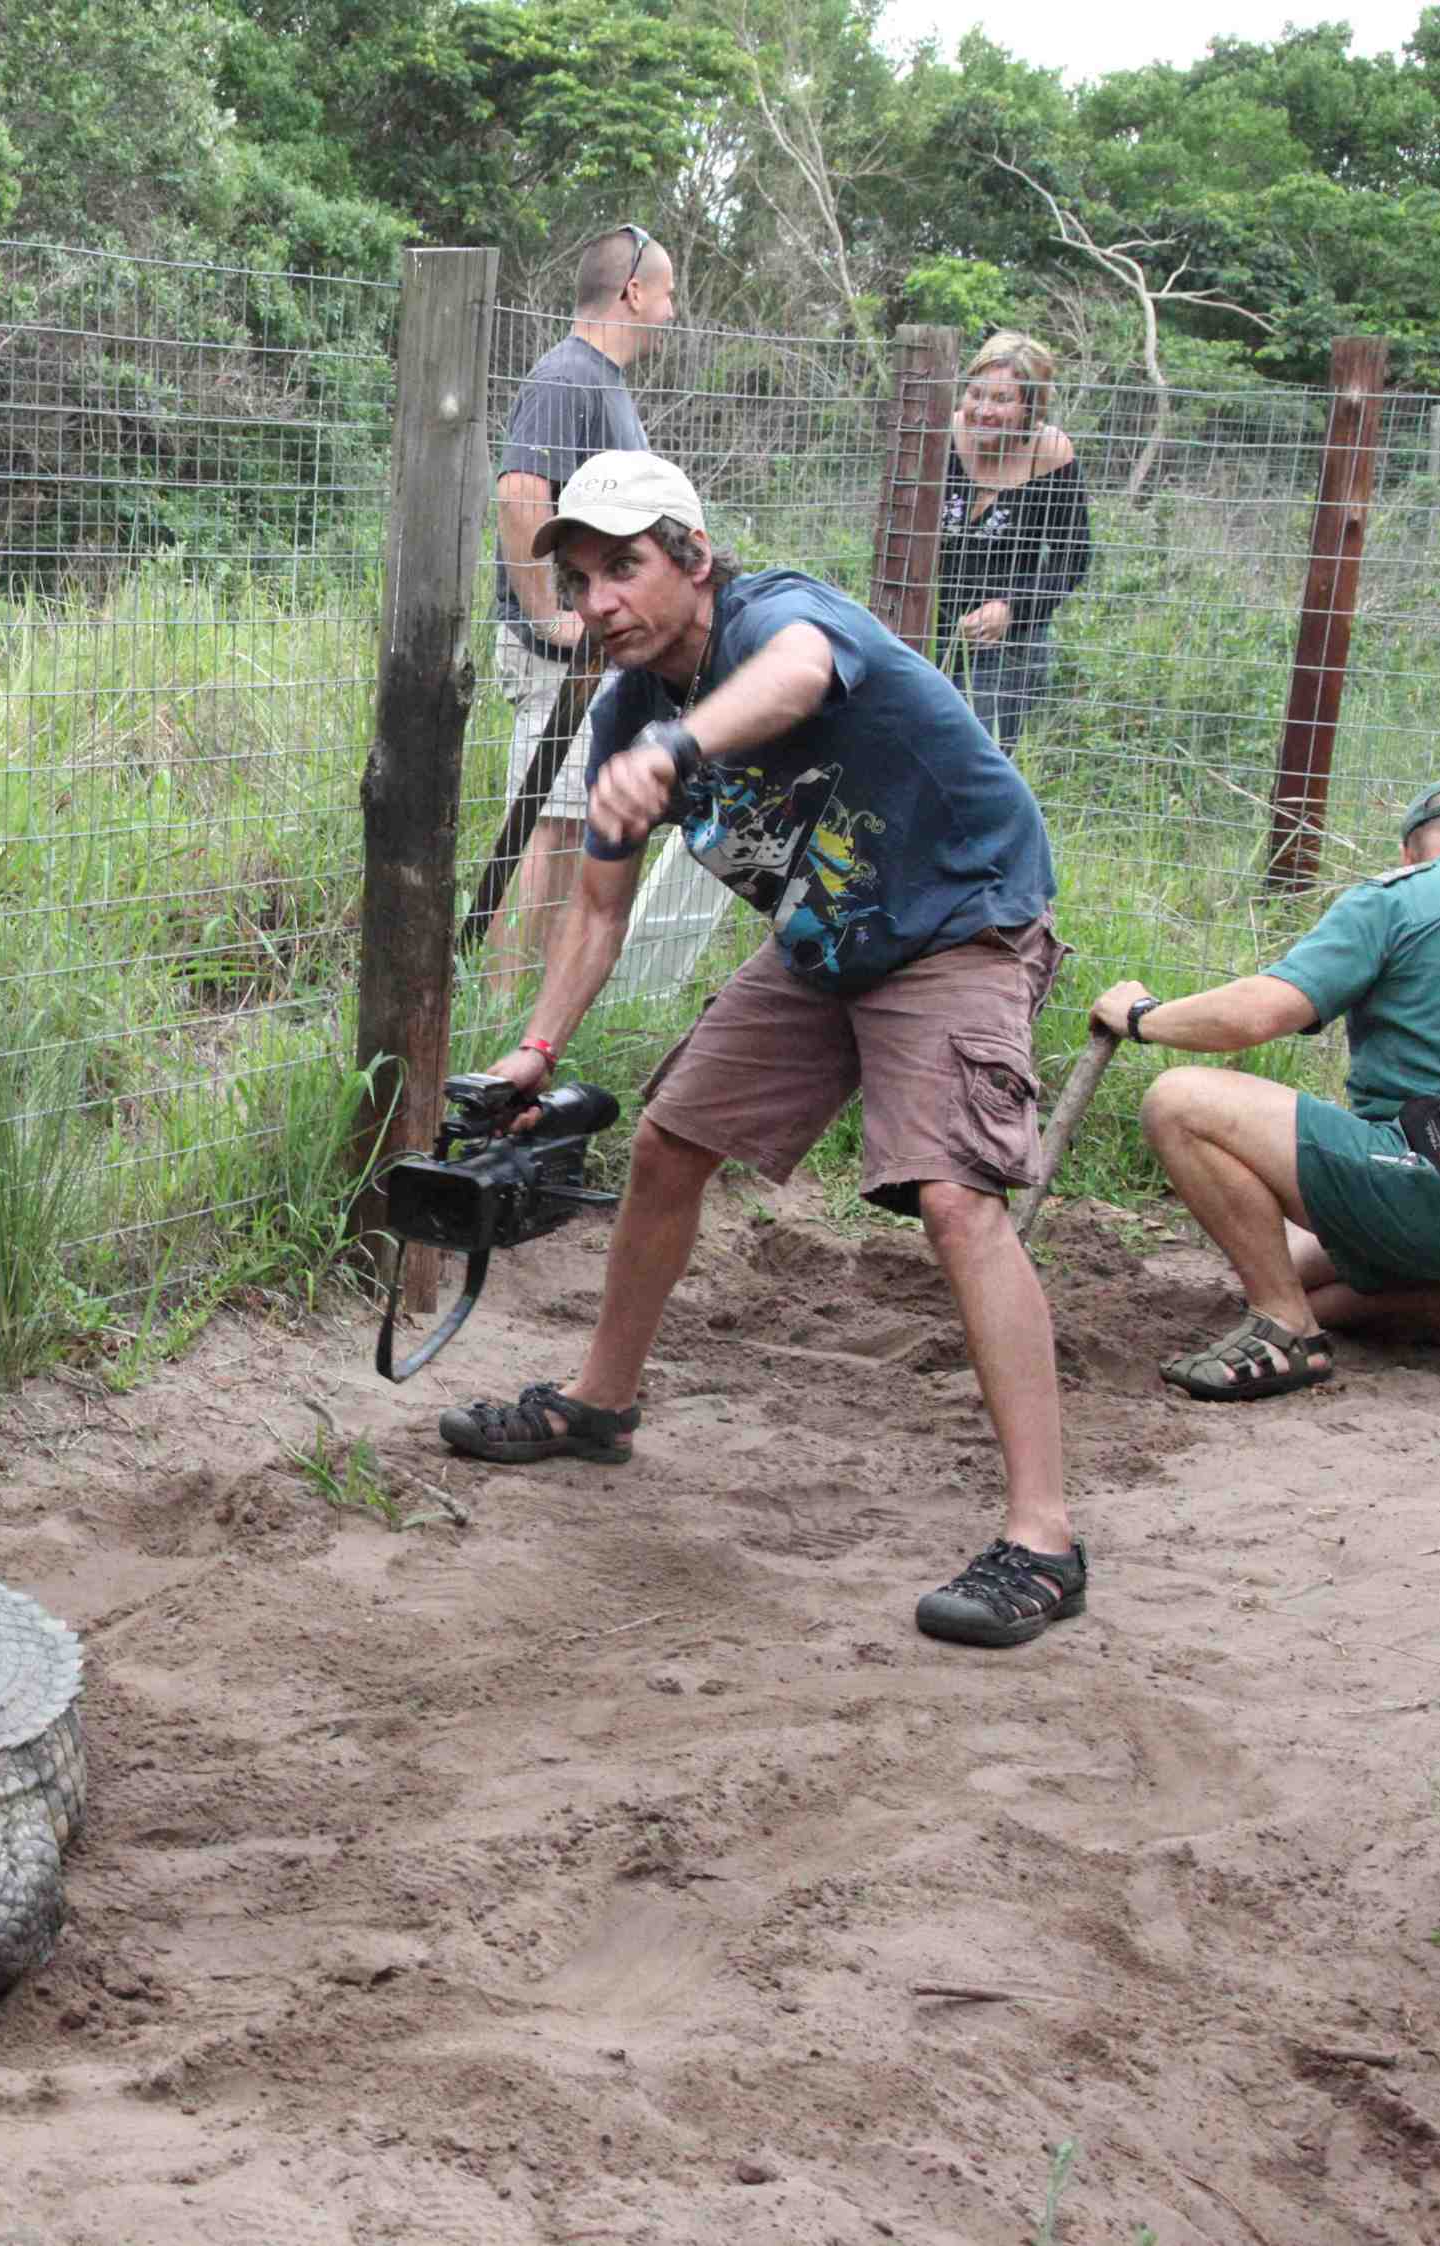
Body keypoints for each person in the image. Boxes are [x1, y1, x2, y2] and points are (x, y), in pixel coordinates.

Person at [433, 450, 1083, 1652]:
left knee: (955, 1196)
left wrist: (679, 757)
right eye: (578, 583)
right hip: (829, 940)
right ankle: (599, 1405)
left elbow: (793, 679)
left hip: (959, 922)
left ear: (691, 554)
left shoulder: (782, 617)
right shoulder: (630, 707)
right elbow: (596, 911)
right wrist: (535, 1048)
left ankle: (1043, 1536)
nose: (600, 604)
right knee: (672, 1142)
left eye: (623, 568)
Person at [1092, 774, 1440, 1398]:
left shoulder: (1398, 898)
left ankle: (1285, 1330)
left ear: (1408, 852)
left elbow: (1259, 1015)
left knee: (1179, 1101)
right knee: (1286, 1258)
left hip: (1435, 1188)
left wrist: (1143, 1017)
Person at [481, 223, 681, 984]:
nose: (670, 309)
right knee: (552, 828)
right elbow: (519, 493)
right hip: (554, 655)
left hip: (591, 651)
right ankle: (496, 1003)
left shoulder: (604, 382)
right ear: (632, 291)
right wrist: (547, 617)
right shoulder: (567, 376)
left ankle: (515, 991)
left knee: (567, 823)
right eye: (665, 293)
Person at [934, 332, 1089, 750]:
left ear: (1030, 408)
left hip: (1006, 643)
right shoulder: (939, 437)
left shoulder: (1050, 453)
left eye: (1001, 399)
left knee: (979, 761)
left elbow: (1072, 557)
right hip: (926, 628)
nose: (983, 410)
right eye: (975, 394)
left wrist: (1011, 608)